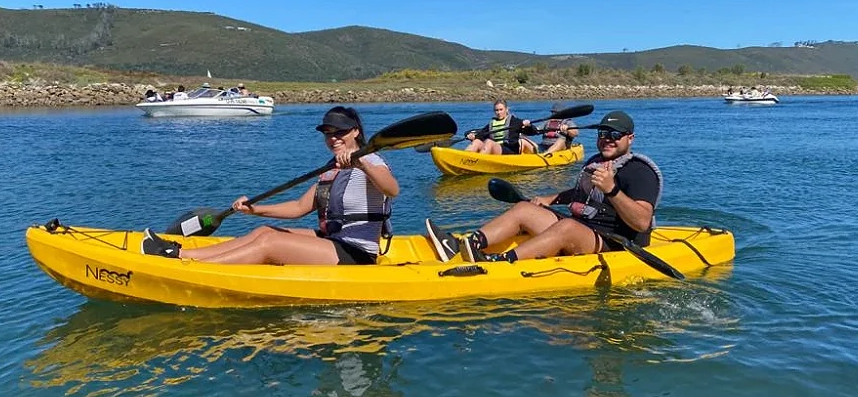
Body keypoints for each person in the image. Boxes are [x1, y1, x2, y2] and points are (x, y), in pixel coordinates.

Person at [142, 106, 400, 265]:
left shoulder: (371, 160)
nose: (333, 138)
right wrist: (254, 210)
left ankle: (181, 261)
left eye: (340, 133)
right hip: (333, 240)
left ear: (355, 132)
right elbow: (299, 207)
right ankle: (185, 254)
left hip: (357, 253)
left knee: (271, 245)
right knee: (264, 231)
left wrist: (361, 164)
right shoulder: (333, 168)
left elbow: (392, 189)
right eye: (328, 133)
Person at [426, 110, 662, 263]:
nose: (607, 138)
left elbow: (641, 221)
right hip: (585, 228)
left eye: (615, 135)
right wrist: (549, 199)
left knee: (567, 226)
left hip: (615, 243)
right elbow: (580, 194)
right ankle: (463, 244)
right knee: (524, 209)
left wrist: (612, 190)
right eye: (603, 133)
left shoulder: (640, 171)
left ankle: (500, 262)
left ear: (629, 138)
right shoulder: (597, 162)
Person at [465, 99, 536, 155]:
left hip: (510, 151)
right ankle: (465, 158)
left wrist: (528, 125)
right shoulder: (492, 123)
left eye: (501, 110)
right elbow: (481, 135)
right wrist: (473, 137)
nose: (499, 112)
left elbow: (532, 132)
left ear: (506, 109)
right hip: (495, 149)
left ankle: (477, 162)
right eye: (496, 110)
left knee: (489, 142)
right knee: (477, 142)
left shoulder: (515, 122)